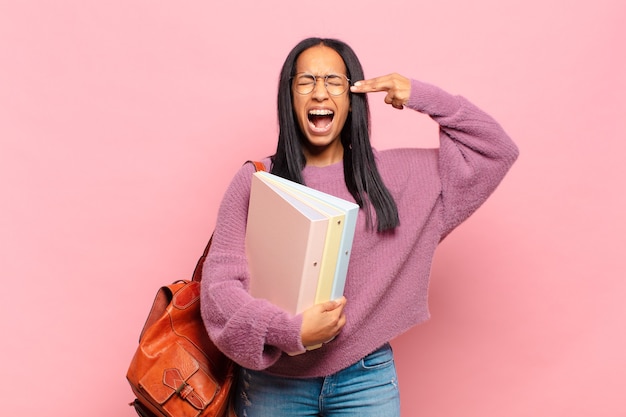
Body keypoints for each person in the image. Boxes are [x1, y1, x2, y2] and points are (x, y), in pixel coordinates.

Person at [200, 37, 519, 416]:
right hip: (274, 382)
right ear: (289, 98)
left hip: (366, 379)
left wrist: (420, 95)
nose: (320, 92)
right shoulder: (257, 180)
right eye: (306, 81)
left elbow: (495, 149)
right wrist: (290, 333)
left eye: (334, 81)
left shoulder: (399, 178)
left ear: (352, 99)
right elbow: (220, 290)